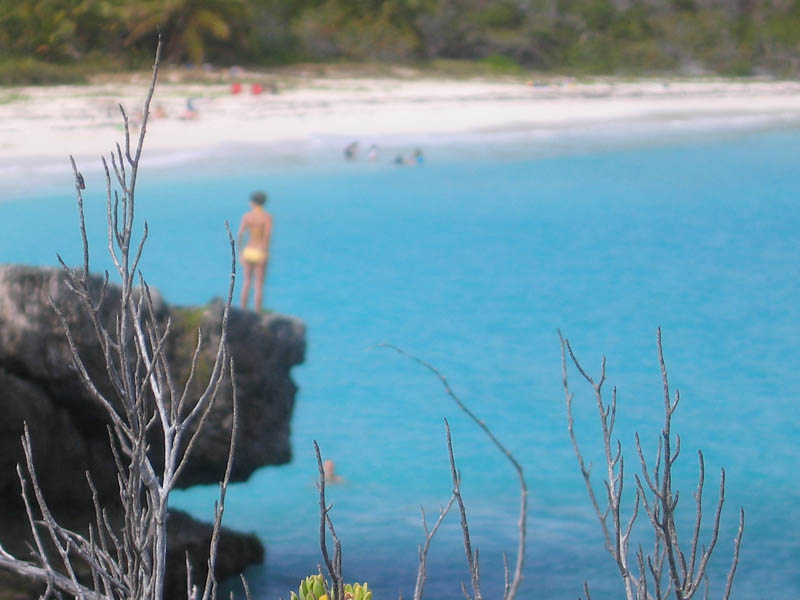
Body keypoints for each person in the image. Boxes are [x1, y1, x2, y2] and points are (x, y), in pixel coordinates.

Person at [237, 191, 272, 312]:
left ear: (253, 202)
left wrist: (240, 253)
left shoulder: (247, 216)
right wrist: (265, 253)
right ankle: (257, 313)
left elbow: (240, 235)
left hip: (248, 251)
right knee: (258, 285)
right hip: (259, 252)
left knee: (246, 282)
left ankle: (243, 310)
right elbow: (267, 236)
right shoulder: (266, 217)